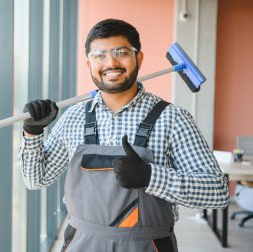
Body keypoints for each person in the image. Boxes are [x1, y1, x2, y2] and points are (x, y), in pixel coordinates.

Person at [19, 19, 229, 251]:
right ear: (88, 63)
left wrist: (152, 177)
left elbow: (217, 192)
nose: (111, 62)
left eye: (121, 52)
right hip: (82, 244)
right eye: (99, 55)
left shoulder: (173, 118)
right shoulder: (73, 117)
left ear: (138, 58)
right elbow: (36, 180)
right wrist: (32, 132)